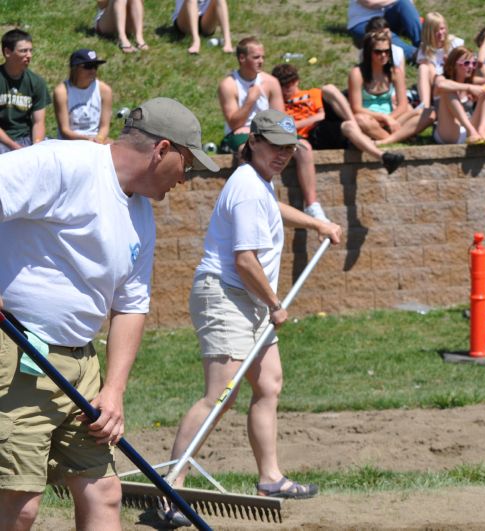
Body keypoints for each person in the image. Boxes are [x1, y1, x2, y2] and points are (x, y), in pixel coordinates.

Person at [0, 97, 219, 530]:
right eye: (187, 164)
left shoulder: (140, 215)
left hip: (81, 365)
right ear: (161, 150)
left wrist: (114, 390)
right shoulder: (65, 163)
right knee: (18, 503)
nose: (187, 178)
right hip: (18, 354)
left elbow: (131, 305)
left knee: (104, 492)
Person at [161, 109, 342, 527]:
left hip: (250, 299)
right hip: (228, 296)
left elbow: (272, 207)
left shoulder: (257, 182)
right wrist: (275, 303)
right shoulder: (244, 185)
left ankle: (270, 478)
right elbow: (244, 261)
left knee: (268, 383)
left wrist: (315, 223)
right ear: (254, 141)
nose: (281, 154)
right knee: (219, 395)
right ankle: (172, 488)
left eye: (288, 148)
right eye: (275, 146)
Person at [219, 37, 327, 220]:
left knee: (304, 148)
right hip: (239, 132)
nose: (261, 61)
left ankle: (312, 205)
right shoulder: (228, 85)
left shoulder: (270, 82)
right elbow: (234, 123)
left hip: (267, 131)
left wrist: (275, 138)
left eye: (262, 57)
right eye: (256, 57)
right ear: (242, 58)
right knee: (245, 151)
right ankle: (251, 203)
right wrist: (251, 99)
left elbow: (281, 119)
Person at [272, 63, 405, 174]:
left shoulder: (312, 94)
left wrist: (298, 123)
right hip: (312, 135)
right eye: (282, 85)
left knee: (329, 90)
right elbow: (283, 127)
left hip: (325, 123)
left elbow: (322, 115)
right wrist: (303, 123)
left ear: (296, 81)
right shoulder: (278, 104)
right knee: (348, 126)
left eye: (289, 83)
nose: (286, 88)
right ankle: (379, 153)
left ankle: (379, 152)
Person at [348, 30, 424, 146]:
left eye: (387, 51)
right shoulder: (357, 73)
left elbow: (402, 104)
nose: (383, 55)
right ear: (369, 53)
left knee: (428, 113)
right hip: (371, 120)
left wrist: (390, 119)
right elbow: (356, 108)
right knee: (359, 119)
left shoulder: (395, 72)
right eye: (378, 52)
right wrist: (384, 118)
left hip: (393, 119)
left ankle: (385, 140)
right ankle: (400, 137)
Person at [433, 46, 485, 145]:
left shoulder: (472, 81)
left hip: (469, 131)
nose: (471, 67)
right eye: (466, 63)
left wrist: (482, 89)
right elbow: (441, 85)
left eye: (473, 64)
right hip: (447, 132)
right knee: (448, 90)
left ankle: (482, 131)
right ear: (453, 65)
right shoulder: (441, 78)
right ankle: (472, 131)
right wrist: (469, 88)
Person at [0, 29, 48, 154]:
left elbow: (39, 122)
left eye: (30, 50)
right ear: (7, 52)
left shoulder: (37, 82)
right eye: (23, 51)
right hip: (3, 140)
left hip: (27, 139)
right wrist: (14, 147)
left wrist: (37, 147)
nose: (29, 55)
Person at [53, 49, 113, 143]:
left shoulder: (104, 90)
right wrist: (88, 140)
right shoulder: (62, 92)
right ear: (75, 68)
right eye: (88, 66)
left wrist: (99, 139)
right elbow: (65, 130)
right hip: (70, 142)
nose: (93, 70)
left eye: (95, 66)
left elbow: (104, 127)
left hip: (96, 140)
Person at [416, 12, 464, 109]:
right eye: (436, 31)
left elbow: (464, 67)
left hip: (454, 83)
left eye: (442, 29)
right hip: (435, 87)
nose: (441, 33)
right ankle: (425, 107)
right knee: (423, 67)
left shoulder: (455, 43)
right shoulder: (424, 49)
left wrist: (449, 64)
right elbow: (430, 75)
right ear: (429, 32)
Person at [346, 0, 421, 62]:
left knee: (403, 3)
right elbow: (369, 3)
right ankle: (417, 55)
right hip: (363, 22)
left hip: (385, 17)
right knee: (383, 37)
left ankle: (425, 43)